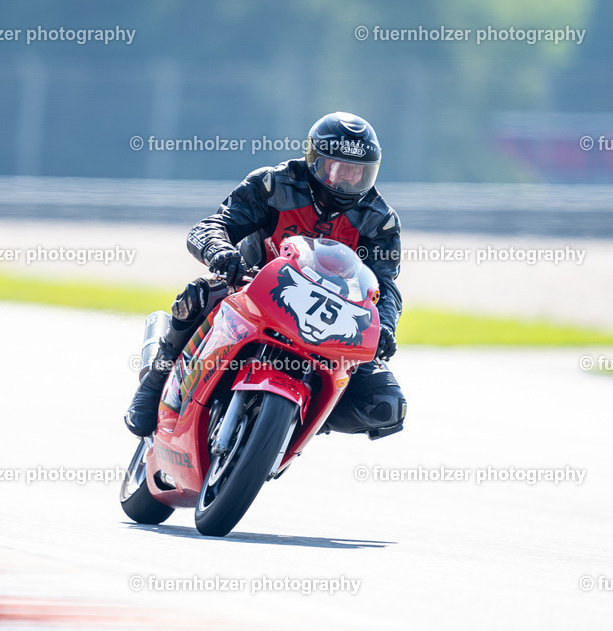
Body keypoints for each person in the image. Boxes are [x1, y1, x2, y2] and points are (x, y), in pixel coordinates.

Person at [125, 112, 407, 440]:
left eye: (359, 172)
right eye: (340, 168)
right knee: (200, 293)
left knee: (387, 405)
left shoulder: (379, 221)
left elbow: (385, 285)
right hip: (253, 289)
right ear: (315, 161)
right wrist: (220, 250)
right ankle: (155, 381)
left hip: (332, 317)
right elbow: (213, 225)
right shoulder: (274, 184)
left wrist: (385, 326)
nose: (349, 180)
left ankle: (302, 418)